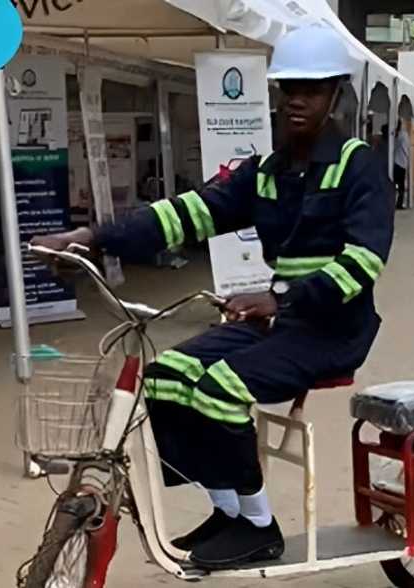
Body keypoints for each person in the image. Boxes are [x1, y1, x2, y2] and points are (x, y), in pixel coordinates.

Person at [30, 26, 395, 568]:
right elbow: (190, 213)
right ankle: (230, 511)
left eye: (312, 90)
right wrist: (91, 238)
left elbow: (365, 261)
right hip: (282, 324)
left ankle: (260, 526)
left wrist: (282, 298)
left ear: (336, 94)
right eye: (288, 87)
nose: (296, 99)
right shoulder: (269, 171)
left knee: (219, 390)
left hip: (332, 329)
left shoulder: (357, 165)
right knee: (166, 377)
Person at [393, 119, 410, 209]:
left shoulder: (396, 135)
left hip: (396, 162)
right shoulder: (404, 135)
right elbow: (406, 149)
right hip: (401, 162)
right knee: (401, 185)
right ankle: (399, 204)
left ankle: (395, 203)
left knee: (395, 184)